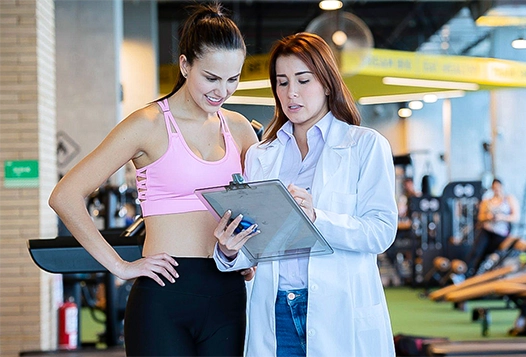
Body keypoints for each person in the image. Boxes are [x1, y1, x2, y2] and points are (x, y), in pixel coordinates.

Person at [48, 3, 258, 356]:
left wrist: (247, 256)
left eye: (232, 79)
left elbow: (259, 207)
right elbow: (65, 195)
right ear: (185, 64)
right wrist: (119, 265)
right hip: (163, 296)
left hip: (227, 296)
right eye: (211, 77)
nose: (222, 91)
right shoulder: (147, 124)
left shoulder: (239, 128)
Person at [212, 32, 399, 357]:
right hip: (275, 309)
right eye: (282, 82)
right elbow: (259, 243)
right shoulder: (261, 154)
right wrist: (229, 252)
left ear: (327, 83)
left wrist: (317, 218)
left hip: (338, 307)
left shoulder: (365, 146)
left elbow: (381, 232)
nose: (291, 93)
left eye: (303, 80)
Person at [465, 178, 519, 276]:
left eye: (498, 187)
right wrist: (488, 217)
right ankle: (469, 275)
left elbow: (515, 217)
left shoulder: (509, 199)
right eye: (494, 187)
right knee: (477, 252)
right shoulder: (487, 201)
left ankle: (491, 275)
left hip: (501, 233)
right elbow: (480, 217)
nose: (496, 189)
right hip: (487, 230)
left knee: (495, 256)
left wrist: (502, 217)